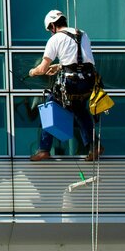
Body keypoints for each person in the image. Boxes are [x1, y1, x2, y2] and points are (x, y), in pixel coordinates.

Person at [28, 10, 102, 161]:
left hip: (72, 82)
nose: (50, 32)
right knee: (79, 109)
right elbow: (80, 60)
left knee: (49, 104)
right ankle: (94, 146)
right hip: (88, 81)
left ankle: (44, 148)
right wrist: (59, 66)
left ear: (53, 25)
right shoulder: (82, 34)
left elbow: (42, 68)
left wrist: (32, 72)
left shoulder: (55, 39)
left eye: (50, 29)